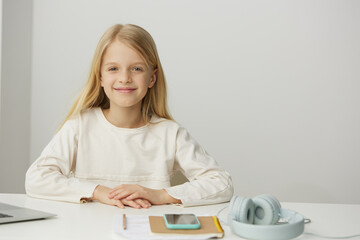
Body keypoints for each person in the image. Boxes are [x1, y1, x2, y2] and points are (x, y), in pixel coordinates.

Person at [25, 24, 233, 209]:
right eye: (113, 68)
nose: (124, 78)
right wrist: (98, 191)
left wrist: (159, 195)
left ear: (152, 77)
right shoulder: (80, 126)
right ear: (100, 77)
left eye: (136, 68)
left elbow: (221, 183)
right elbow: (36, 178)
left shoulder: (170, 133)